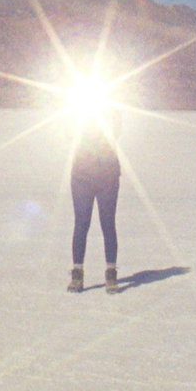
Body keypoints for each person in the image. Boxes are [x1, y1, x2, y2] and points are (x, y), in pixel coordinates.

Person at [66, 105, 122, 294]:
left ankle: (111, 272)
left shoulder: (110, 110)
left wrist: (111, 109)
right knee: (81, 223)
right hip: (82, 176)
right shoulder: (78, 112)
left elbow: (116, 130)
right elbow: (69, 133)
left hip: (107, 177)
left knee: (108, 224)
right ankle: (77, 272)